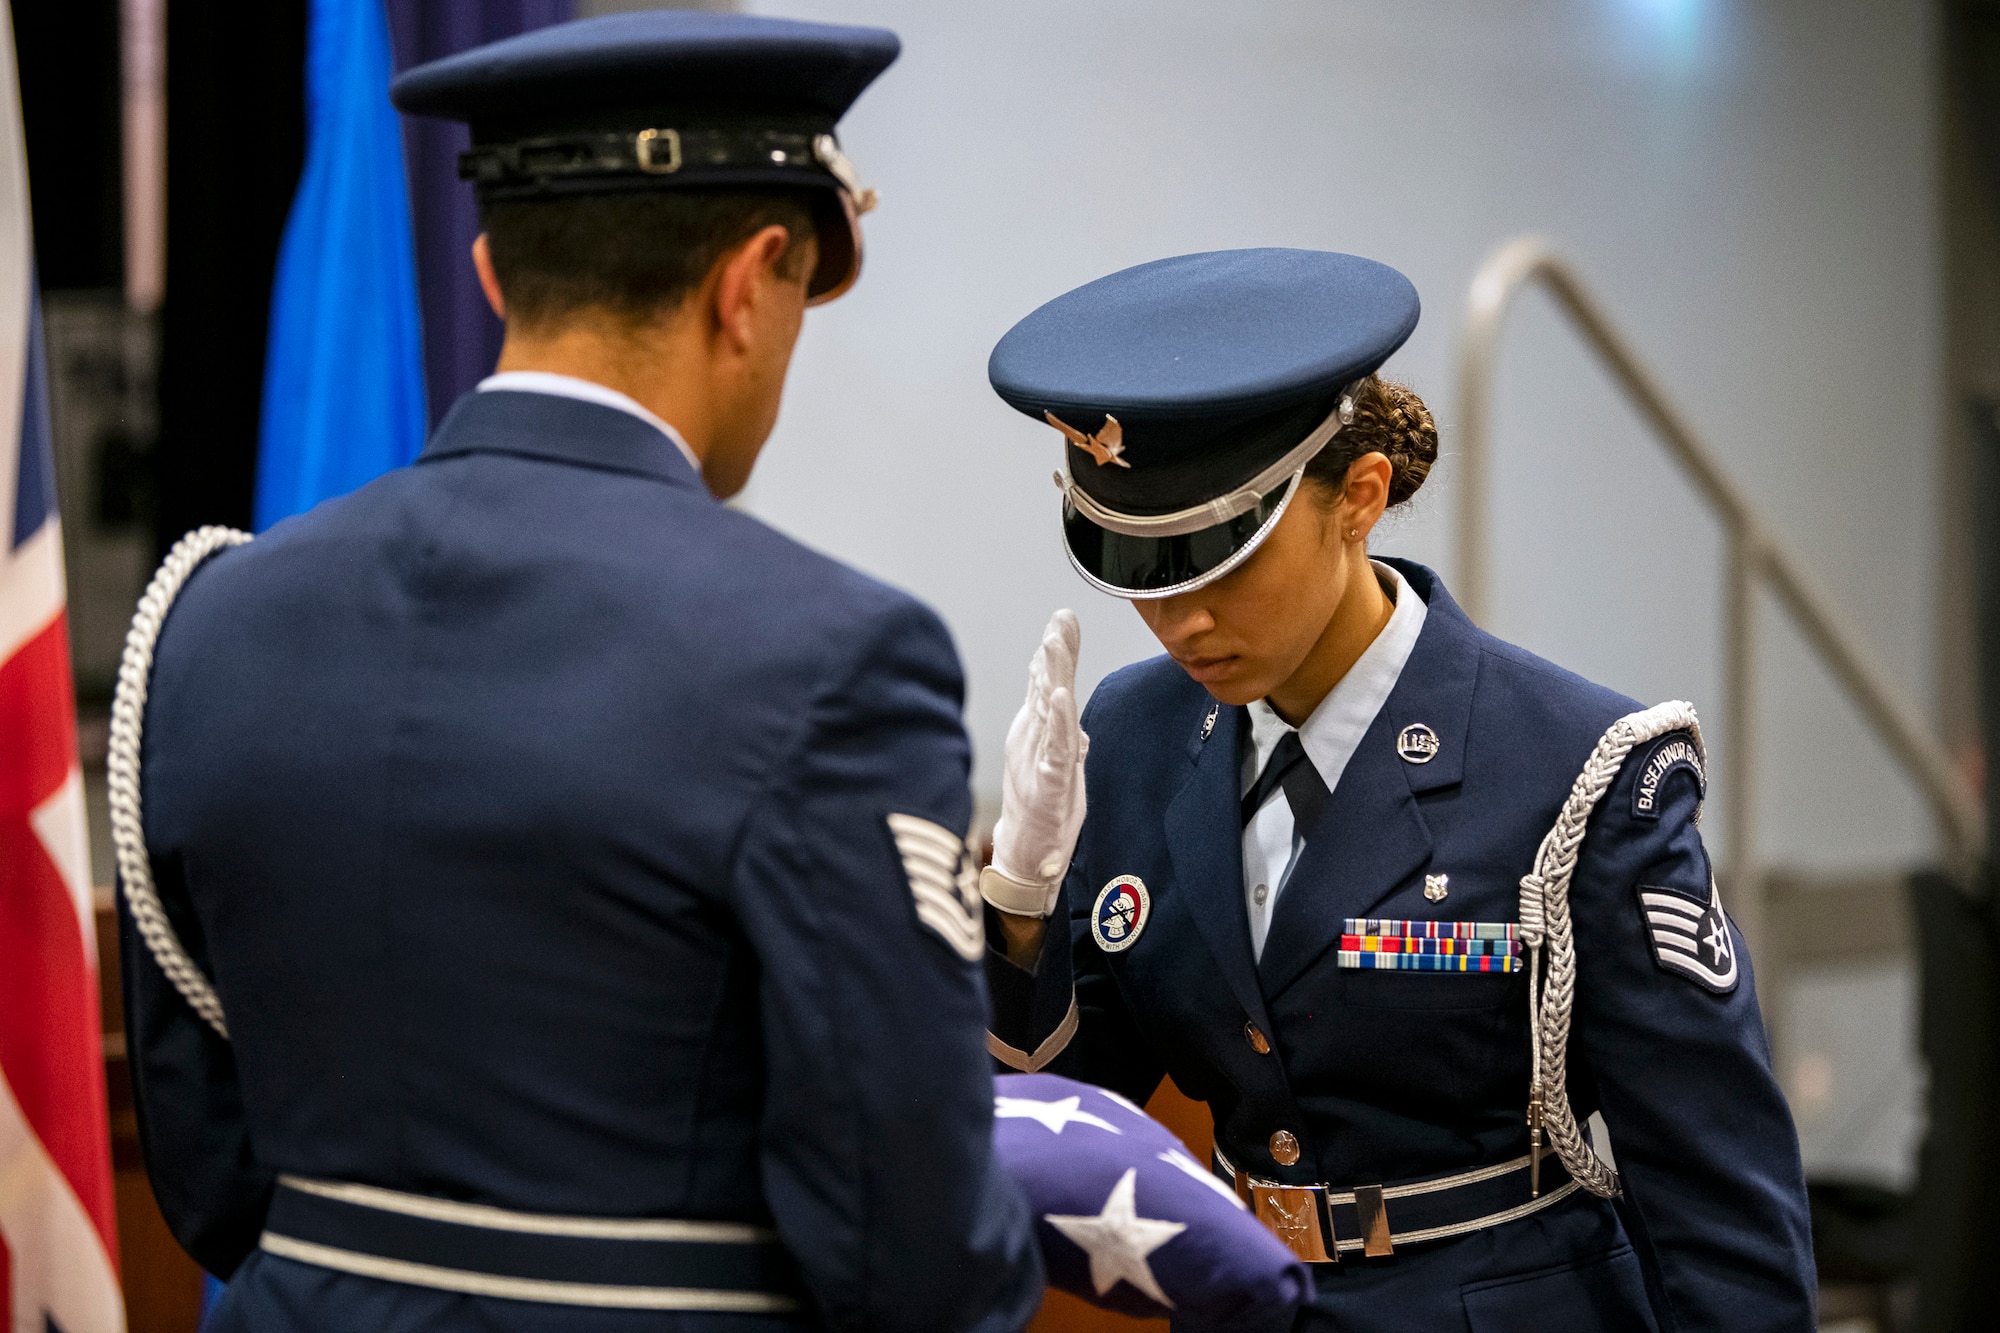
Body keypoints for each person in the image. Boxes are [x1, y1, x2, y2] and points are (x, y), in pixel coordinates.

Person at [111, 12, 1040, 1331]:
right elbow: (911, 1239)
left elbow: (202, 1151)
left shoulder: (214, 613)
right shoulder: (831, 653)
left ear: (493, 274)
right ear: (750, 277)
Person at [976, 248, 1815, 1330]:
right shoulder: (1135, 735)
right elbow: (1067, 1115)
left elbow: (1717, 1195)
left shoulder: (1575, 765)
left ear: (1357, 498)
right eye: (1144, 567)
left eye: (1224, 559)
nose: (1182, 619)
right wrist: (1018, 903)